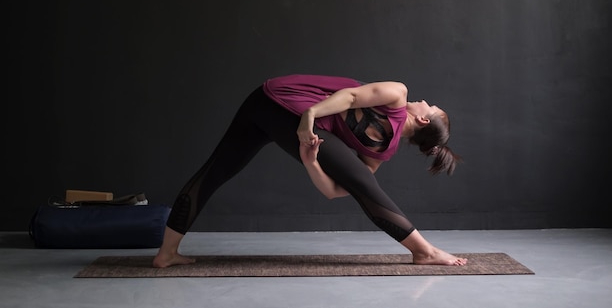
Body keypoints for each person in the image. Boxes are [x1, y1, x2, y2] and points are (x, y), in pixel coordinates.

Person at [153, 74, 467, 268]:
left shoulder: (381, 150)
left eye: (430, 105)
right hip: (283, 101)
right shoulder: (395, 95)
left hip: (268, 106)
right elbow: (351, 97)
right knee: (364, 185)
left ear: (424, 120)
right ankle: (423, 251)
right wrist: (311, 115)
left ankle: (166, 254)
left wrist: (311, 162)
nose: (424, 100)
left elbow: (335, 191)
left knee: (215, 172)